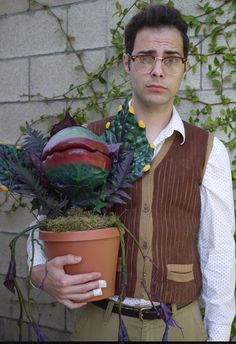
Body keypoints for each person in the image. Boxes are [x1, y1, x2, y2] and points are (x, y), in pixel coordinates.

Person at [27, 4, 235, 341]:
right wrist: (40, 272)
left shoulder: (210, 150)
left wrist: (219, 333)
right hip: (102, 322)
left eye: (170, 59)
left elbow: (218, 250)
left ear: (185, 66)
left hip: (182, 326)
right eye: (145, 57)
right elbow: (43, 220)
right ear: (127, 63)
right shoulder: (87, 139)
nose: (157, 69)